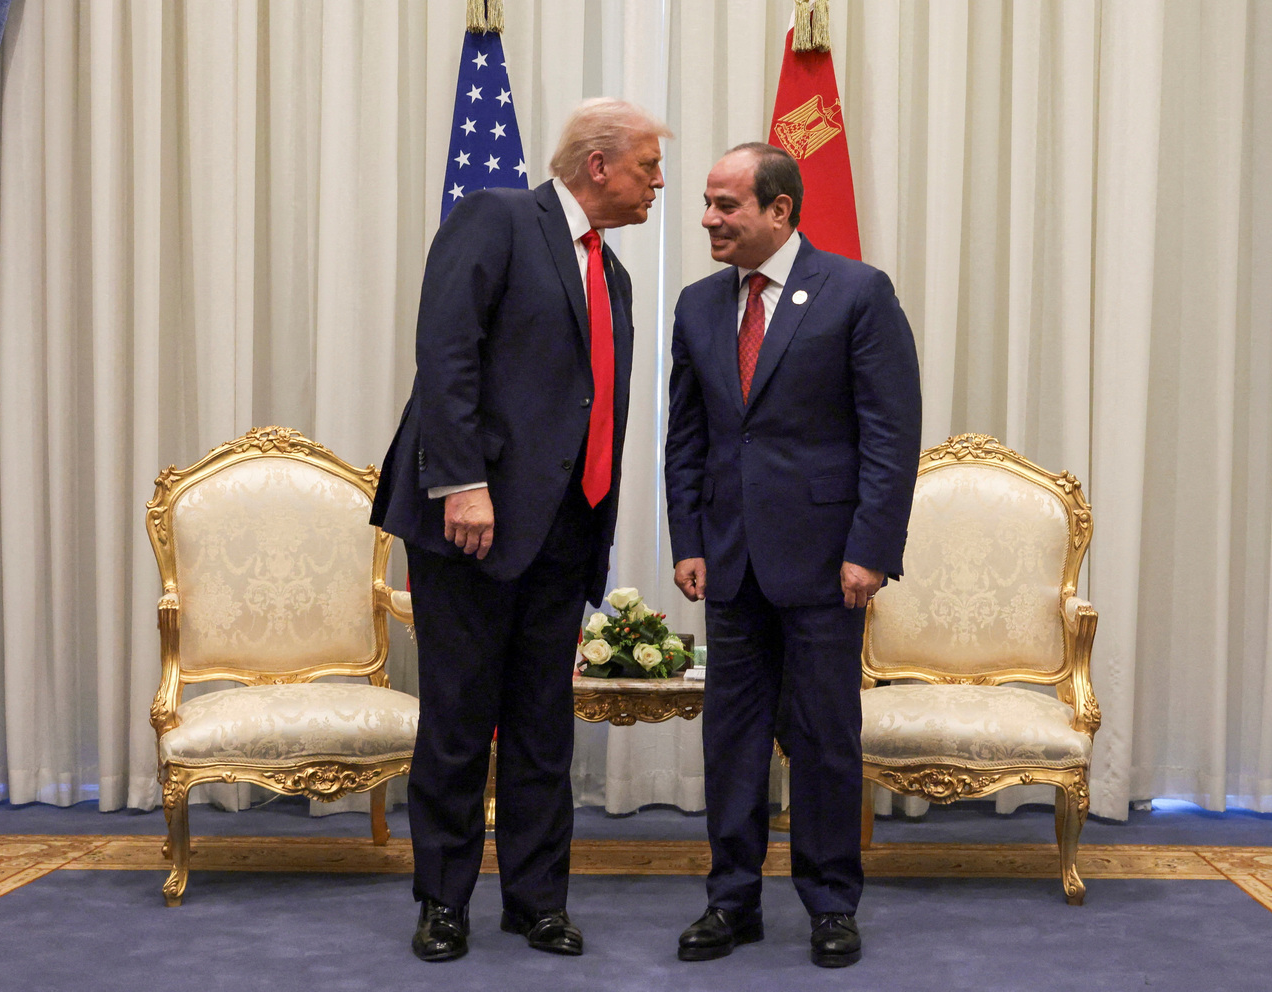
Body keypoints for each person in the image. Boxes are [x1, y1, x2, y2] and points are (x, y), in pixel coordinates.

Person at [372, 99, 671, 963]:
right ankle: (443, 901)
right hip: (472, 521)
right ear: (599, 165)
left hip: (565, 530)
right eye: (649, 166)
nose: (659, 183)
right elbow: (447, 350)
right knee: (460, 719)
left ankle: (537, 902)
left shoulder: (613, 276)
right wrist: (462, 482)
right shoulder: (498, 218)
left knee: (544, 727)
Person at [664, 143, 921, 969]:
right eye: (707, 202)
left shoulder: (857, 292)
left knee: (823, 738)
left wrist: (871, 549)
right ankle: (731, 901)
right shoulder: (699, 305)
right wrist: (688, 540)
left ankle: (831, 903)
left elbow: (890, 434)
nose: (709, 218)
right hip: (730, 562)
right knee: (731, 742)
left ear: (780, 211)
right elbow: (687, 436)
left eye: (726, 204)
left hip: (825, 563)